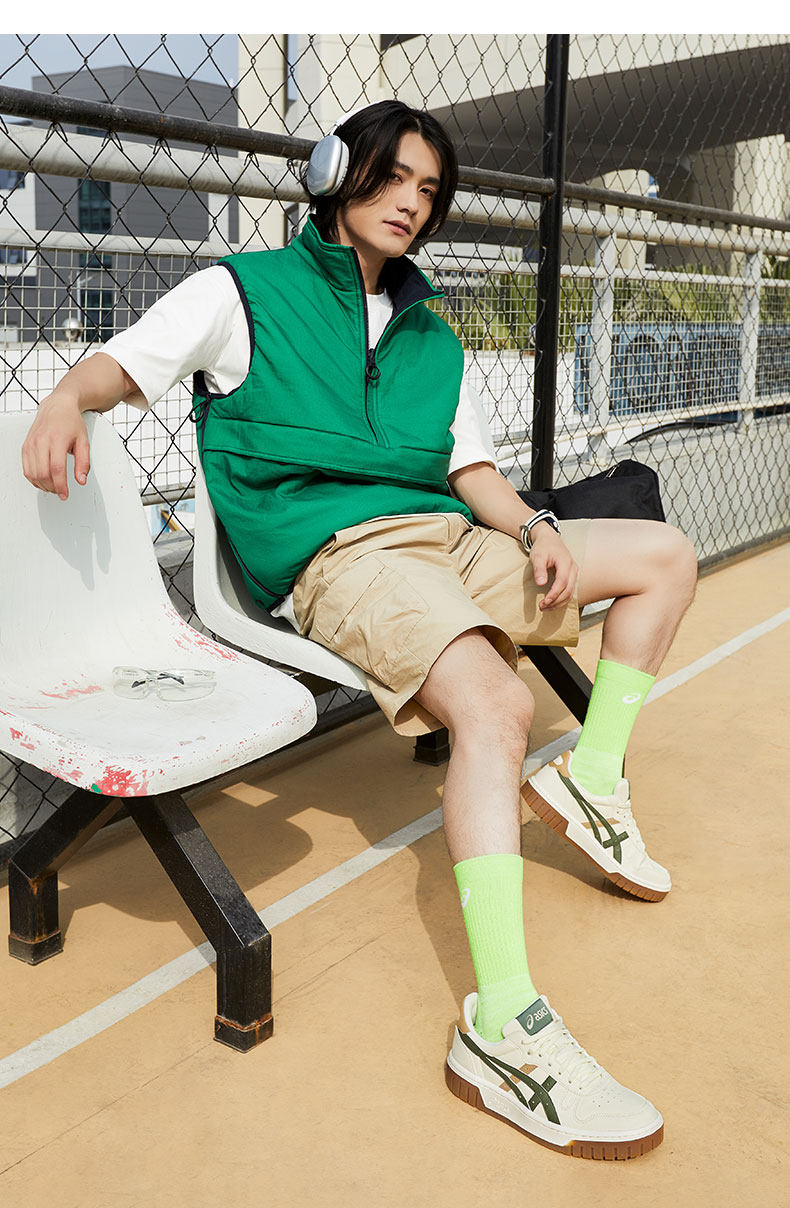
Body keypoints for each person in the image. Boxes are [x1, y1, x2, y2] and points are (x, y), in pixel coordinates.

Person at [22, 99, 697, 1160]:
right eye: (391, 177)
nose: (409, 202)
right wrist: (68, 398)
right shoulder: (243, 290)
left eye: (428, 190)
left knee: (665, 555)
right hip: (338, 556)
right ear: (337, 172)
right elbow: (125, 363)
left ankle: (593, 781)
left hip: (448, 537)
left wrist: (535, 527)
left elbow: (469, 468)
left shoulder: (431, 329)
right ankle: (502, 1028)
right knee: (496, 705)